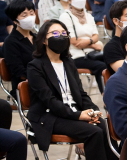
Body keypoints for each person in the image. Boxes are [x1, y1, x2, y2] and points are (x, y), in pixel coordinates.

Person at [26, 20, 117, 160]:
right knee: (93, 132)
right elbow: (49, 101)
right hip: (49, 116)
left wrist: (93, 111)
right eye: (55, 33)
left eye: (64, 33)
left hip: (73, 112)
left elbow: (80, 93)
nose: (61, 37)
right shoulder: (35, 66)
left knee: (103, 125)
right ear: (44, 40)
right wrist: (78, 116)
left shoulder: (68, 62)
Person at [58, 0, 108, 93]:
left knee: (111, 62)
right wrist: (93, 43)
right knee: (102, 67)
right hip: (76, 56)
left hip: (93, 53)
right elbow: (74, 42)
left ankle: (116, 94)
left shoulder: (89, 16)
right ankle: (106, 98)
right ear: (70, 0)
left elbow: (96, 36)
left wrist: (89, 42)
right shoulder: (65, 16)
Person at [3, 0, 35, 98]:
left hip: (46, 84)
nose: (30, 17)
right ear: (15, 20)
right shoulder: (10, 42)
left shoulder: (38, 38)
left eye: (32, 13)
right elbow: (19, 72)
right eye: (24, 15)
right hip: (26, 87)